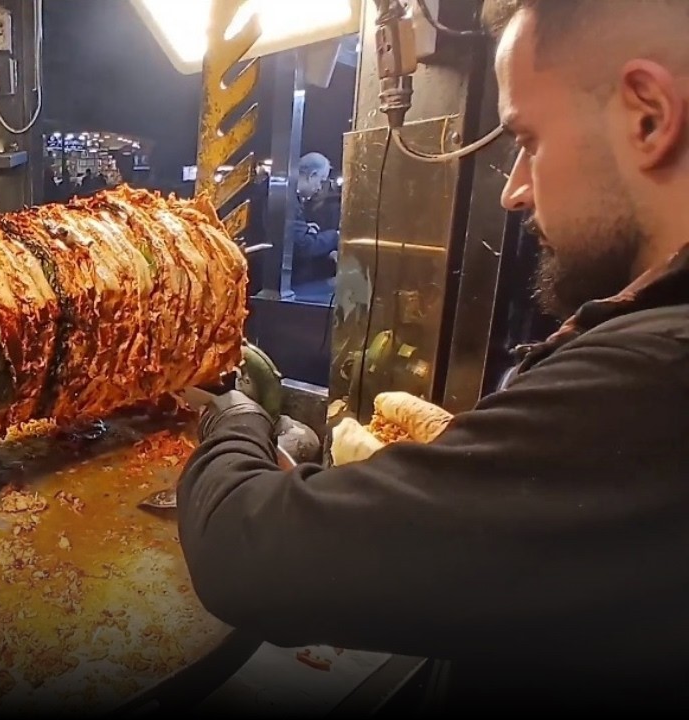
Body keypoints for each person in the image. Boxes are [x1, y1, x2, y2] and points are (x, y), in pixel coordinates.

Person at [176, 0, 689, 712]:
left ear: (649, 116)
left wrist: (235, 416)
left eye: (528, 140)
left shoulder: (657, 379)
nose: (513, 190)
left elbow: (245, 554)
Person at [286, 152, 341, 288]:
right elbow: (303, 246)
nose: (320, 188)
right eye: (321, 181)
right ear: (312, 175)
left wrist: (304, 228)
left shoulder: (287, 195)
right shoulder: (289, 200)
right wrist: (335, 236)